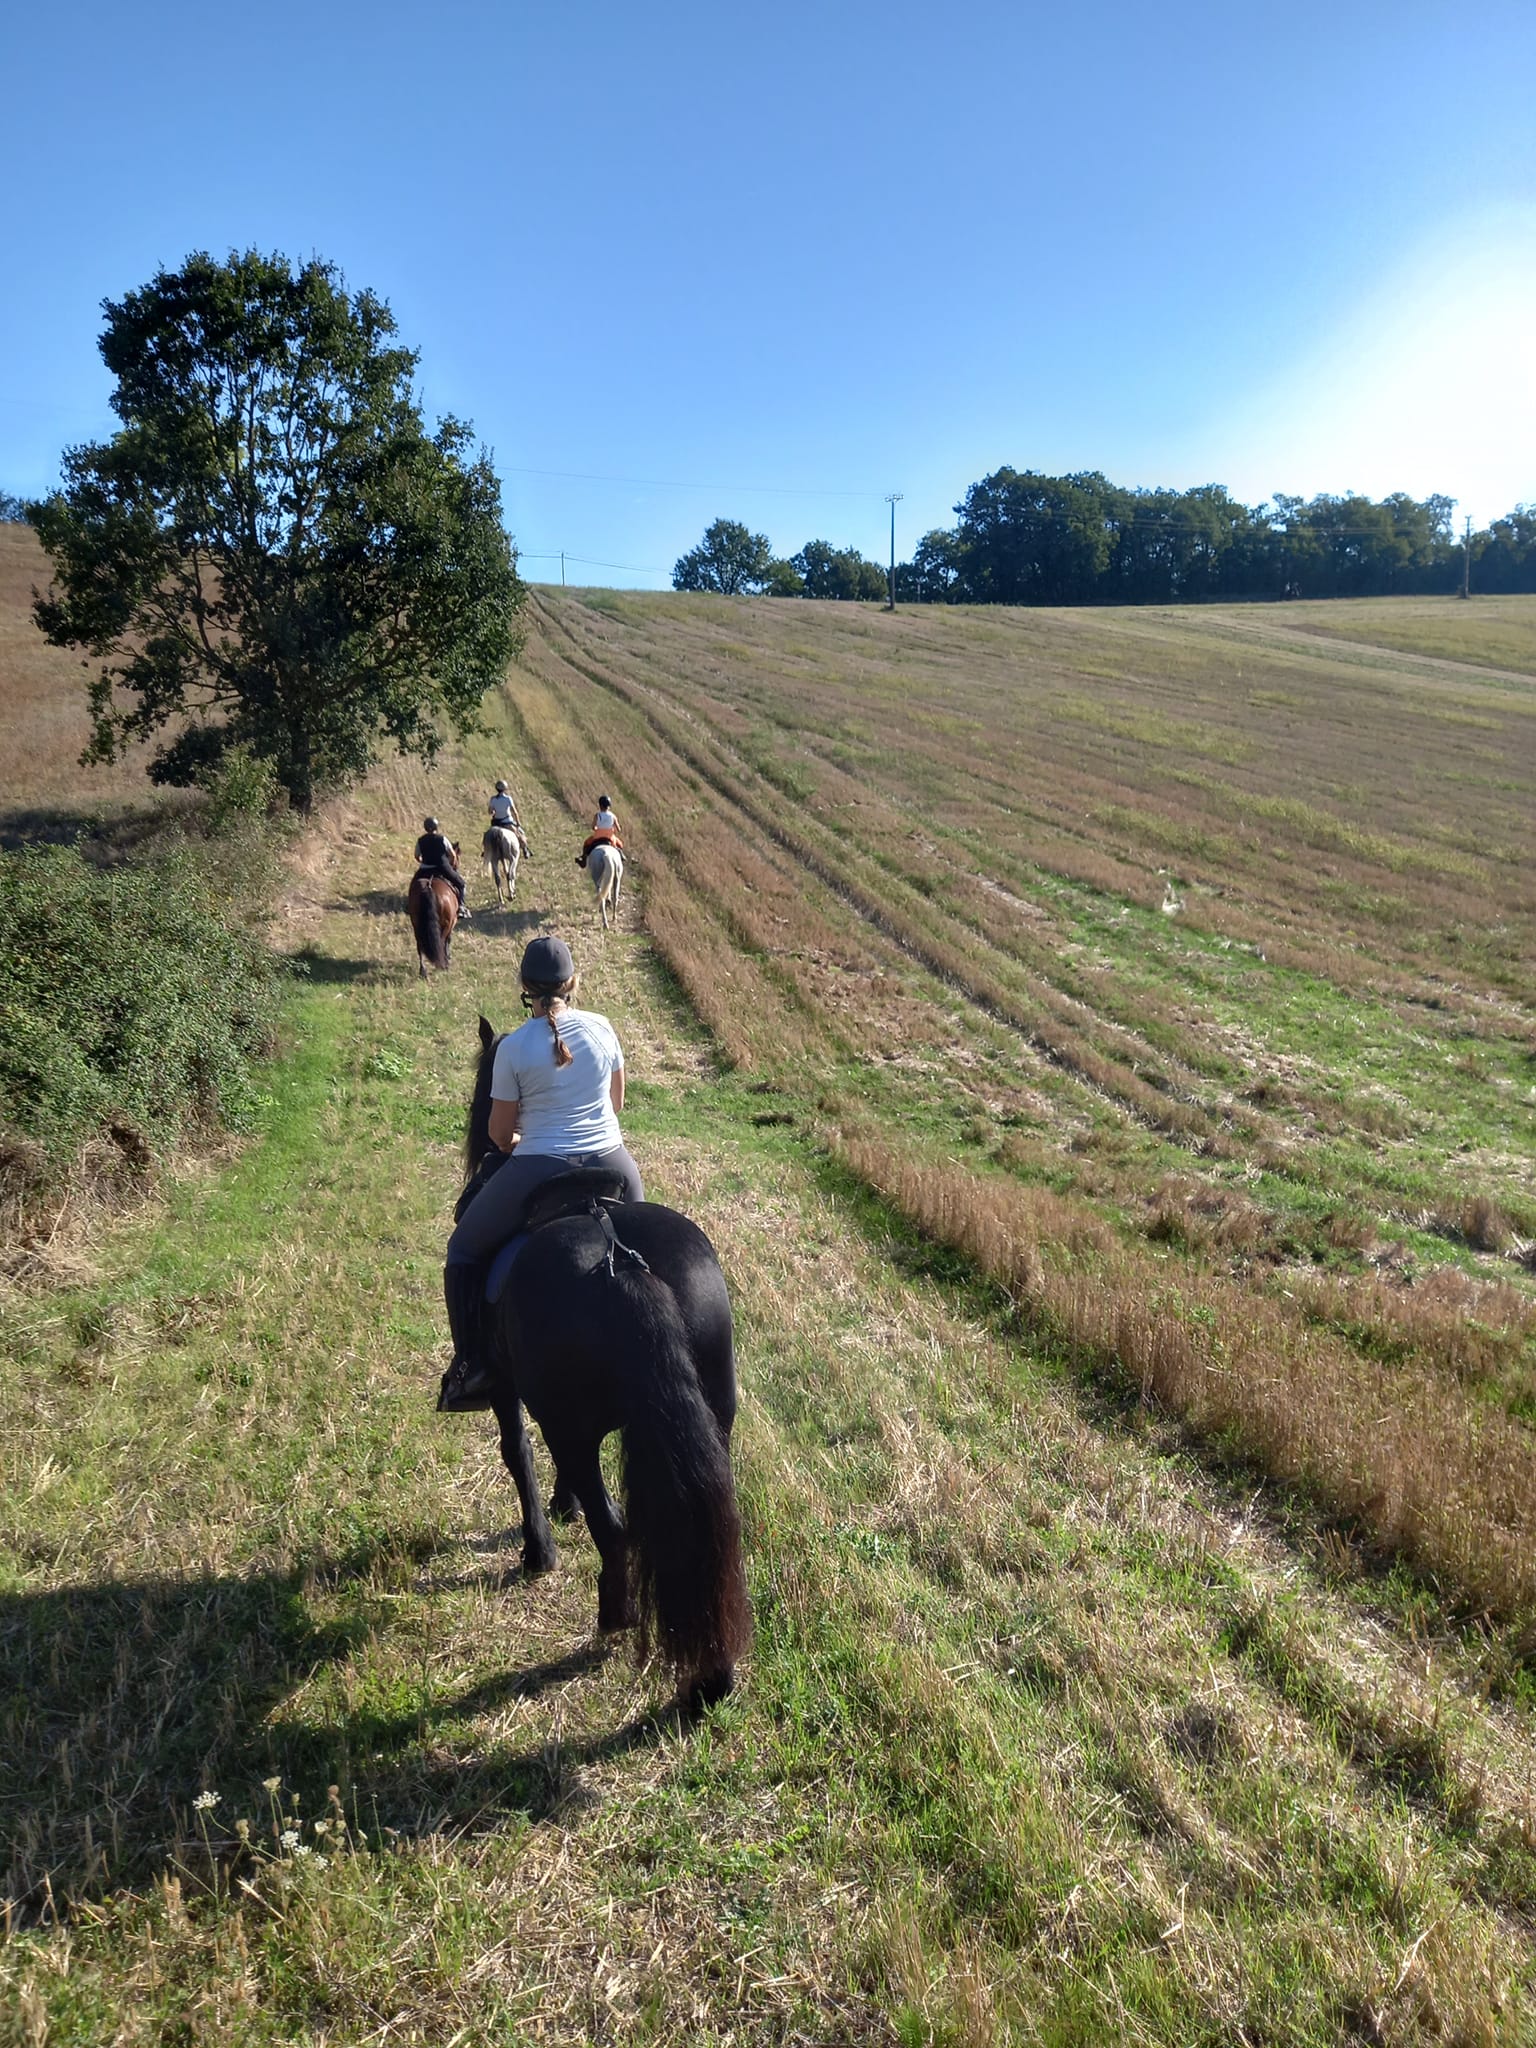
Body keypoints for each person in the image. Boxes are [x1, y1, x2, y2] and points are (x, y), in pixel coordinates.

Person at [437, 935, 644, 1412]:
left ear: (524, 988)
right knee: (645, 1247)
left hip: (538, 1166)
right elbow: (616, 1104)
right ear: (572, 984)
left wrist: (522, 1141)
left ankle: (472, 1367)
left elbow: (499, 1132)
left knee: (463, 1249)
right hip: (613, 1162)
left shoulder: (511, 1049)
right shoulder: (603, 1029)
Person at [414, 816, 471, 918]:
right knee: (461, 884)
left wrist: (423, 861)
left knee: (414, 884)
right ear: (436, 827)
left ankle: (410, 904)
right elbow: (453, 855)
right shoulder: (443, 839)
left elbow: (417, 856)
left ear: (425, 827)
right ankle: (461, 907)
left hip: (425, 868)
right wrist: (450, 864)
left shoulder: (420, 840)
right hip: (442, 867)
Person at [575, 794, 624, 869]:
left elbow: (593, 827)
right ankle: (621, 856)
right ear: (609, 806)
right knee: (620, 844)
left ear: (600, 805)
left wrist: (597, 828)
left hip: (597, 837)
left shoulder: (597, 815)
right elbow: (619, 829)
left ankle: (583, 860)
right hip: (610, 838)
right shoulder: (613, 816)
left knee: (586, 843)